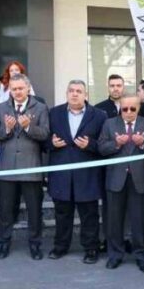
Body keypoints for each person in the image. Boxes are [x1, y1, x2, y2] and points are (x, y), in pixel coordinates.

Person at [0, 73, 49, 259]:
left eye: (20, 88)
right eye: (14, 89)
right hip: (7, 169)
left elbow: (45, 134)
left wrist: (29, 127)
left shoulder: (40, 108)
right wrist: (7, 129)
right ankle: (4, 244)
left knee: (34, 211)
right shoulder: (1, 108)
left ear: (27, 88)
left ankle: (35, 245)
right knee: (6, 211)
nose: (17, 92)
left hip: (31, 169)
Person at [47, 80, 107, 263]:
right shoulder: (54, 113)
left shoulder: (99, 115)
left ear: (85, 95)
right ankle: (60, 247)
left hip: (87, 175)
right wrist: (51, 143)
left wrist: (91, 145)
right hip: (61, 173)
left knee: (89, 215)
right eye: (71, 90)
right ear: (66, 93)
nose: (74, 94)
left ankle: (91, 249)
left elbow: (105, 145)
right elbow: (43, 140)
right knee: (62, 213)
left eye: (79, 91)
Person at [99, 93, 144, 271]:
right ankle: (115, 255)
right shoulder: (109, 124)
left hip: (140, 179)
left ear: (139, 108)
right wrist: (116, 144)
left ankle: (142, 256)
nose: (129, 112)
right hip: (116, 179)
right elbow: (101, 147)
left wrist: (143, 144)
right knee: (114, 221)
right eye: (125, 109)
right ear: (120, 109)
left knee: (140, 221)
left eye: (133, 108)